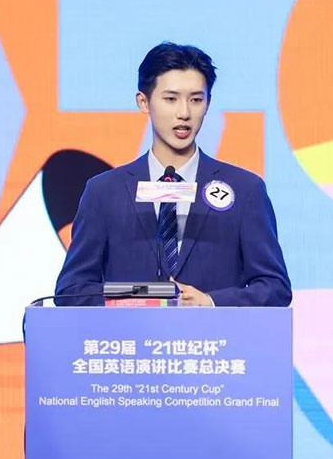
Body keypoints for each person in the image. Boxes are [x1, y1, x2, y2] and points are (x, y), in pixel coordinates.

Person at [54, 42, 291, 307]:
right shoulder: (104, 192)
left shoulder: (245, 190)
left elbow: (275, 288)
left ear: (208, 103)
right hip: (131, 333)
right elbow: (71, 290)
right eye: (170, 99)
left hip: (214, 333)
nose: (184, 113)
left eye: (196, 100)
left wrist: (211, 302)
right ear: (143, 102)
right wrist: (141, 299)